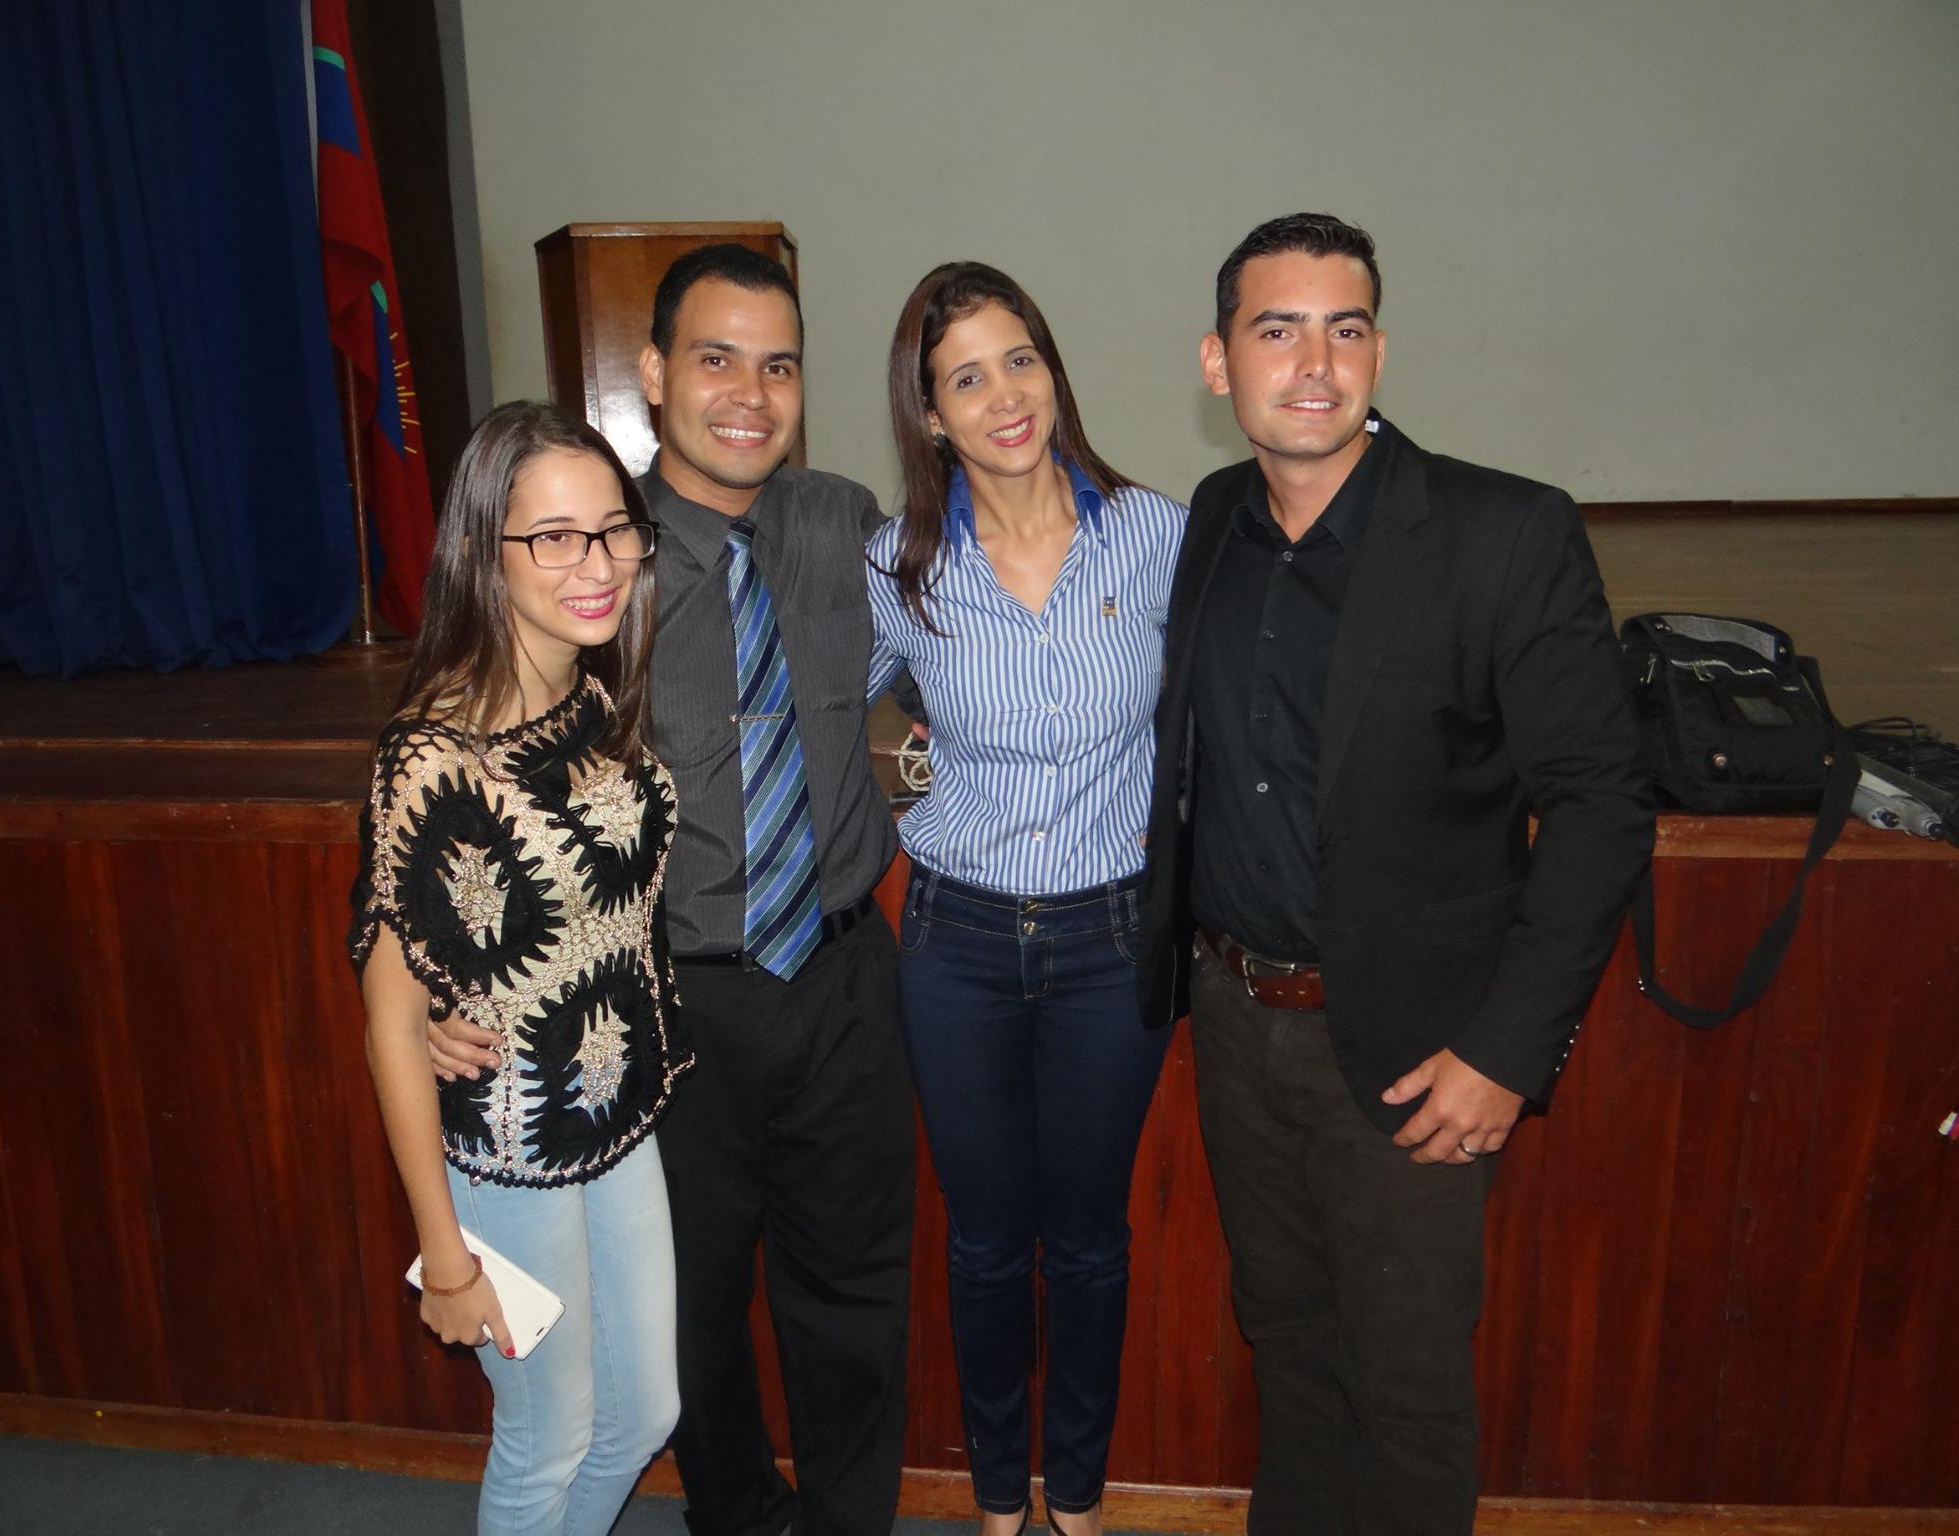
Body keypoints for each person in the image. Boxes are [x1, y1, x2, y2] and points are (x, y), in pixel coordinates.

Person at [1134, 214, 1656, 1536]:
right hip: (1241, 1032)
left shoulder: (1501, 532)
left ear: (1378, 349)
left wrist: (1507, 1050)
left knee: (1406, 1394)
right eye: (1276, 328)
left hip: (1417, 1055)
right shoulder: (1211, 520)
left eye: (1345, 327)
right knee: (1292, 1355)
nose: (1315, 362)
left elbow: (1600, 803)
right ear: (1217, 362)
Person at [432, 246, 915, 1536]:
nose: (748, 391)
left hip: (840, 975)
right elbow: (457, 782)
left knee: (855, 1295)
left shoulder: (843, 528)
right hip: (665, 1003)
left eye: (777, 363)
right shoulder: (596, 566)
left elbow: (950, 652)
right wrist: (430, 980)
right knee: (694, 1312)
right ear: (651, 374)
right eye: (714, 358)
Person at [867, 262, 1185, 1536]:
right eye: (964, 377)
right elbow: (840, 709)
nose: (1002, 395)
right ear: (928, 415)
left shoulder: (1157, 535)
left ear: (1052, 371)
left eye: (1019, 360)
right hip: (958, 943)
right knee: (988, 1243)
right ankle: (1000, 1502)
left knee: (1090, 1240)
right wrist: (909, 765)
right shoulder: (900, 563)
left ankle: (1080, 1499)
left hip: (1114, 942)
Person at [350, 400, 688, 1536]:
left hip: (617, 1121)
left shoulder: (590, 698)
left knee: (642, 1416)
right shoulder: (434, 759)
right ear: (479, 553)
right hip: (511, 1143)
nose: (593, 566)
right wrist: (444, 1259)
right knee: (547, 1444)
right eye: (552, 537)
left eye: (612, 531)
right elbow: (393, 1024)